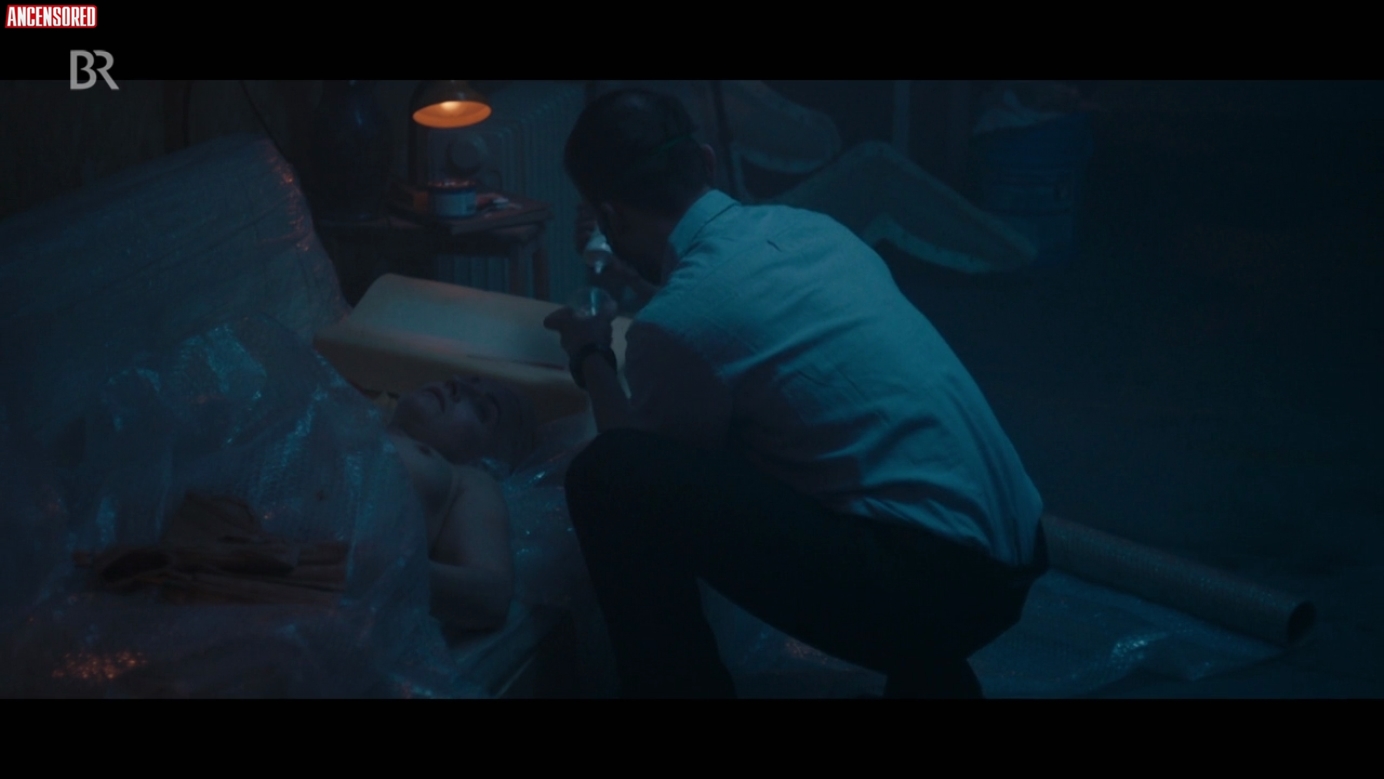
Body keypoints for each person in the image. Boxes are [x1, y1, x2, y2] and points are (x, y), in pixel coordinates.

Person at [543, 88, 1049, 698]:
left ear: (610, 217)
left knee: (607, 477)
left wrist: (591, 354)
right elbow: (722, 316)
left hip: (934, 589)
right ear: (707, 162)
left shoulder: (677, 323)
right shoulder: (811, 230)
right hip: (1016, 547)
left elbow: (638, 458)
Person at [377, 375, 538, 632]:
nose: (456, 385)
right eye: (461, 380)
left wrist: (386, 571)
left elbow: (492, 595)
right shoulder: (347, 409)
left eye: (481, 410)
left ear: (491, 462)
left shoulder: (469, 480)